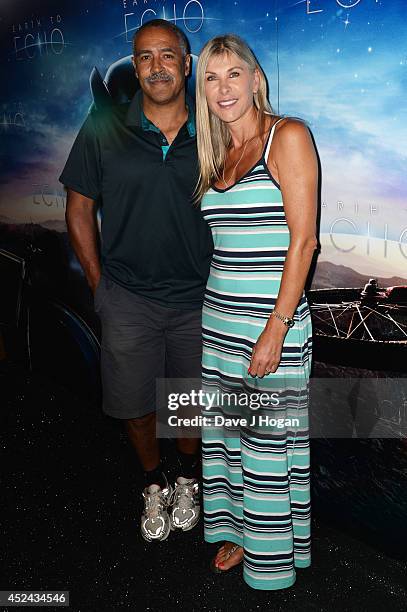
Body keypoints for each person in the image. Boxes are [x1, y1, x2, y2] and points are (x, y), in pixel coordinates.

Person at [59, 19, 213, 542]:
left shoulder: (215, 126)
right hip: (127, 297)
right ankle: (152, 484)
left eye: (167, 55)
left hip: (199, 301)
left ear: (186, 63)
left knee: (189, 402)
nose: (156, 66)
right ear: (136, 64)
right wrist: (100, 284)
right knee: (135, 404)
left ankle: (189, 479)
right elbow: (78, 209)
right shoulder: (103, 126)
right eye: (145, 56)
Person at [195, 34, 318, 590]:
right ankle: (239, 532)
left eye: (233, 74)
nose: (224, 88)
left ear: (255, 77)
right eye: (212, 78)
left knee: (267, 448)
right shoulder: (215, 151)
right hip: (218, 321)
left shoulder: (286, 136)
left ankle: (270, 567)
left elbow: (304, 244)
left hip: (269, 326)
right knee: (227, 439)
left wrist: (275, 330)